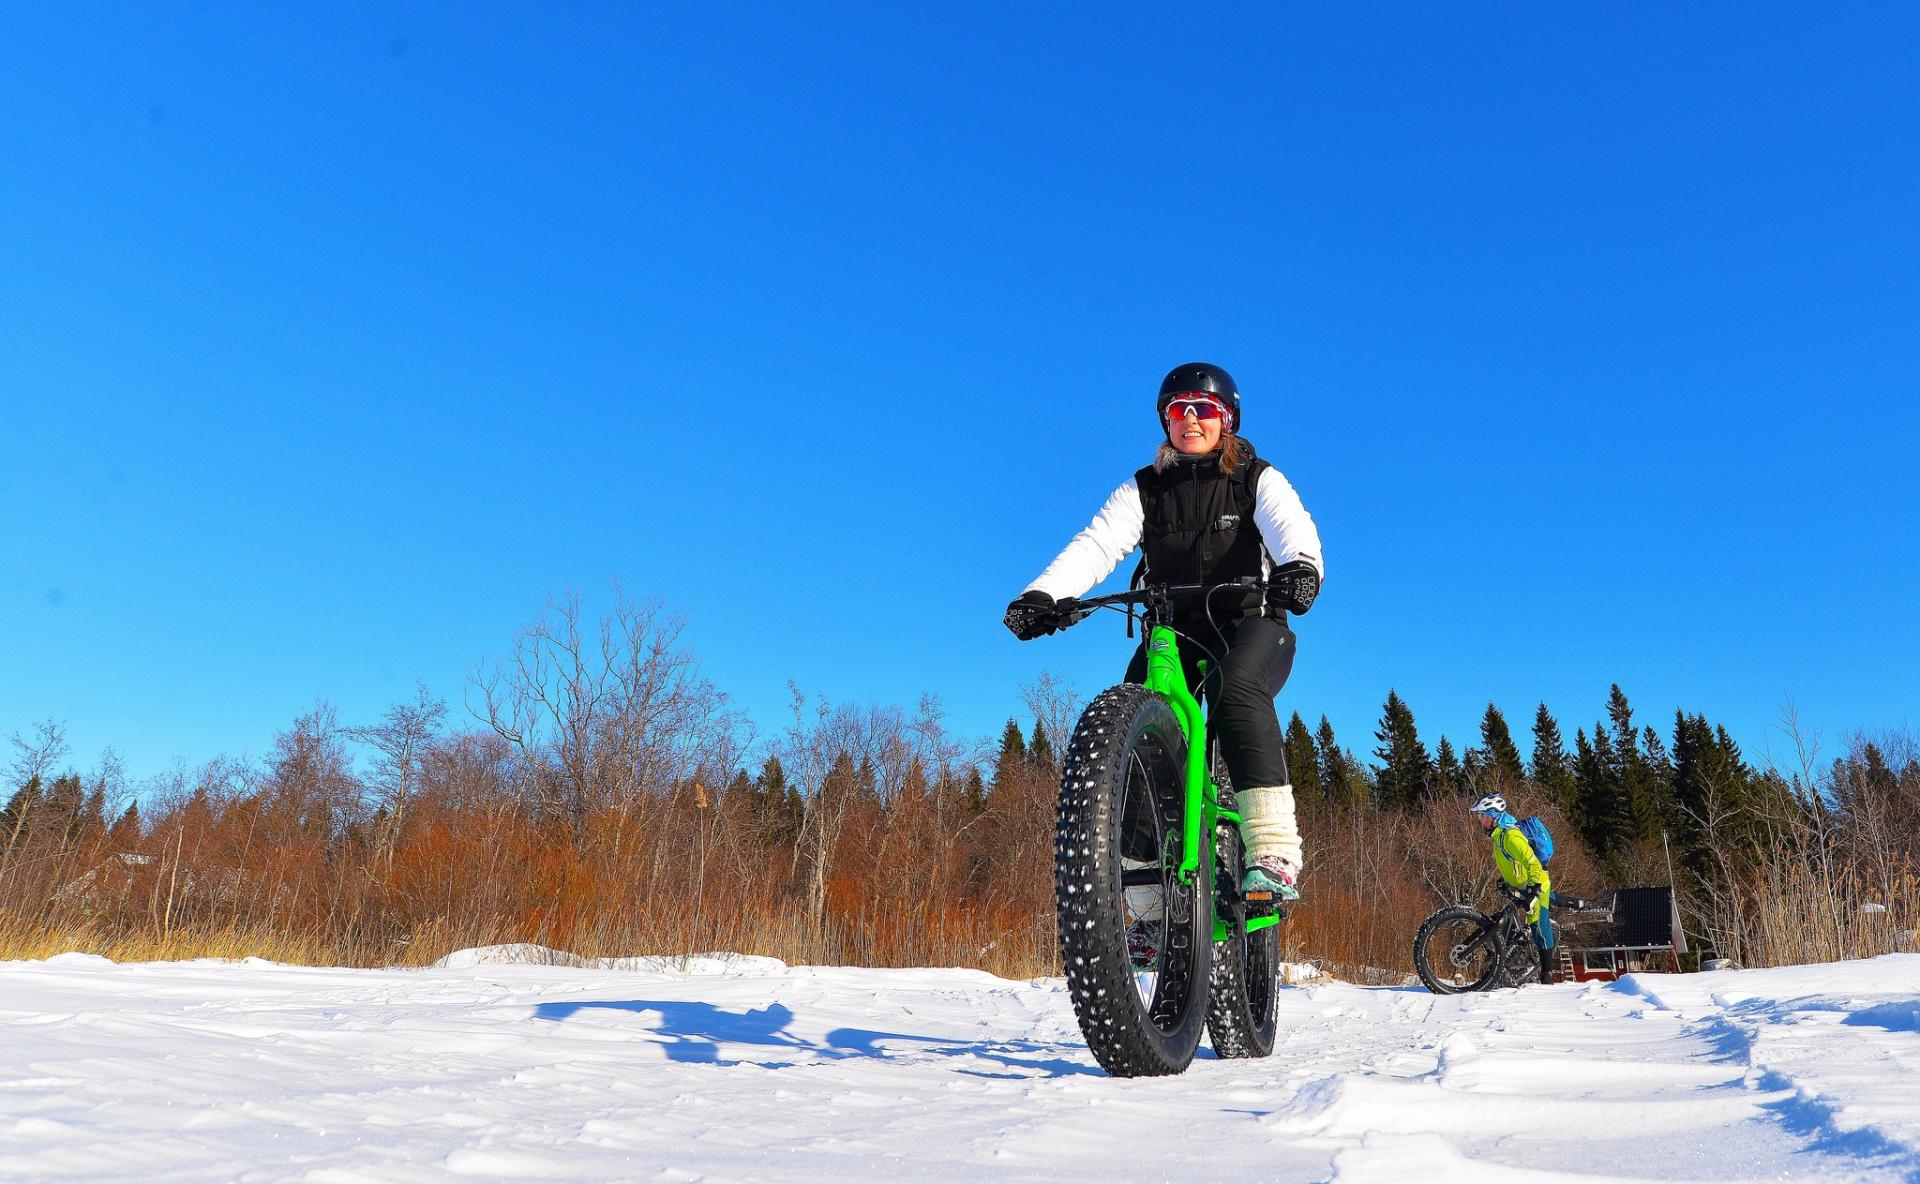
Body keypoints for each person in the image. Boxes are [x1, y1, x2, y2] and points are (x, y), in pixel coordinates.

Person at [1003, 362, 1325, 922]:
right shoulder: (1145, 489)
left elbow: (1292, 530)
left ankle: (1272, 850)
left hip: (1251, 622)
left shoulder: (1256, 479)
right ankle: (1150, 905)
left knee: (1236, 690)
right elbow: (1097, 545)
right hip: (1173, 631)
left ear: (1227, 420)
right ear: (1166, 422)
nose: (1191, 419)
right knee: (1132, 726)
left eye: (1204, 410)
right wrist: (1044, 594)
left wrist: (1300, 569)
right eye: (1179, 410)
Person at [1470, 793, 1556, 984]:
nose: (1480, 820)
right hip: (1520, 885)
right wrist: (1504, 880)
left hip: (1536, 884)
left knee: (1538, 926)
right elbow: (1513, 863)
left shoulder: (1510, 836)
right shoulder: (1499, 836)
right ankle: (1501, 973)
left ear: (1493, 815)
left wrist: (1534, 890)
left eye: (1482, 816)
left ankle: (1547, 975)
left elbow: (1533, 864)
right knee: (1506, 926)